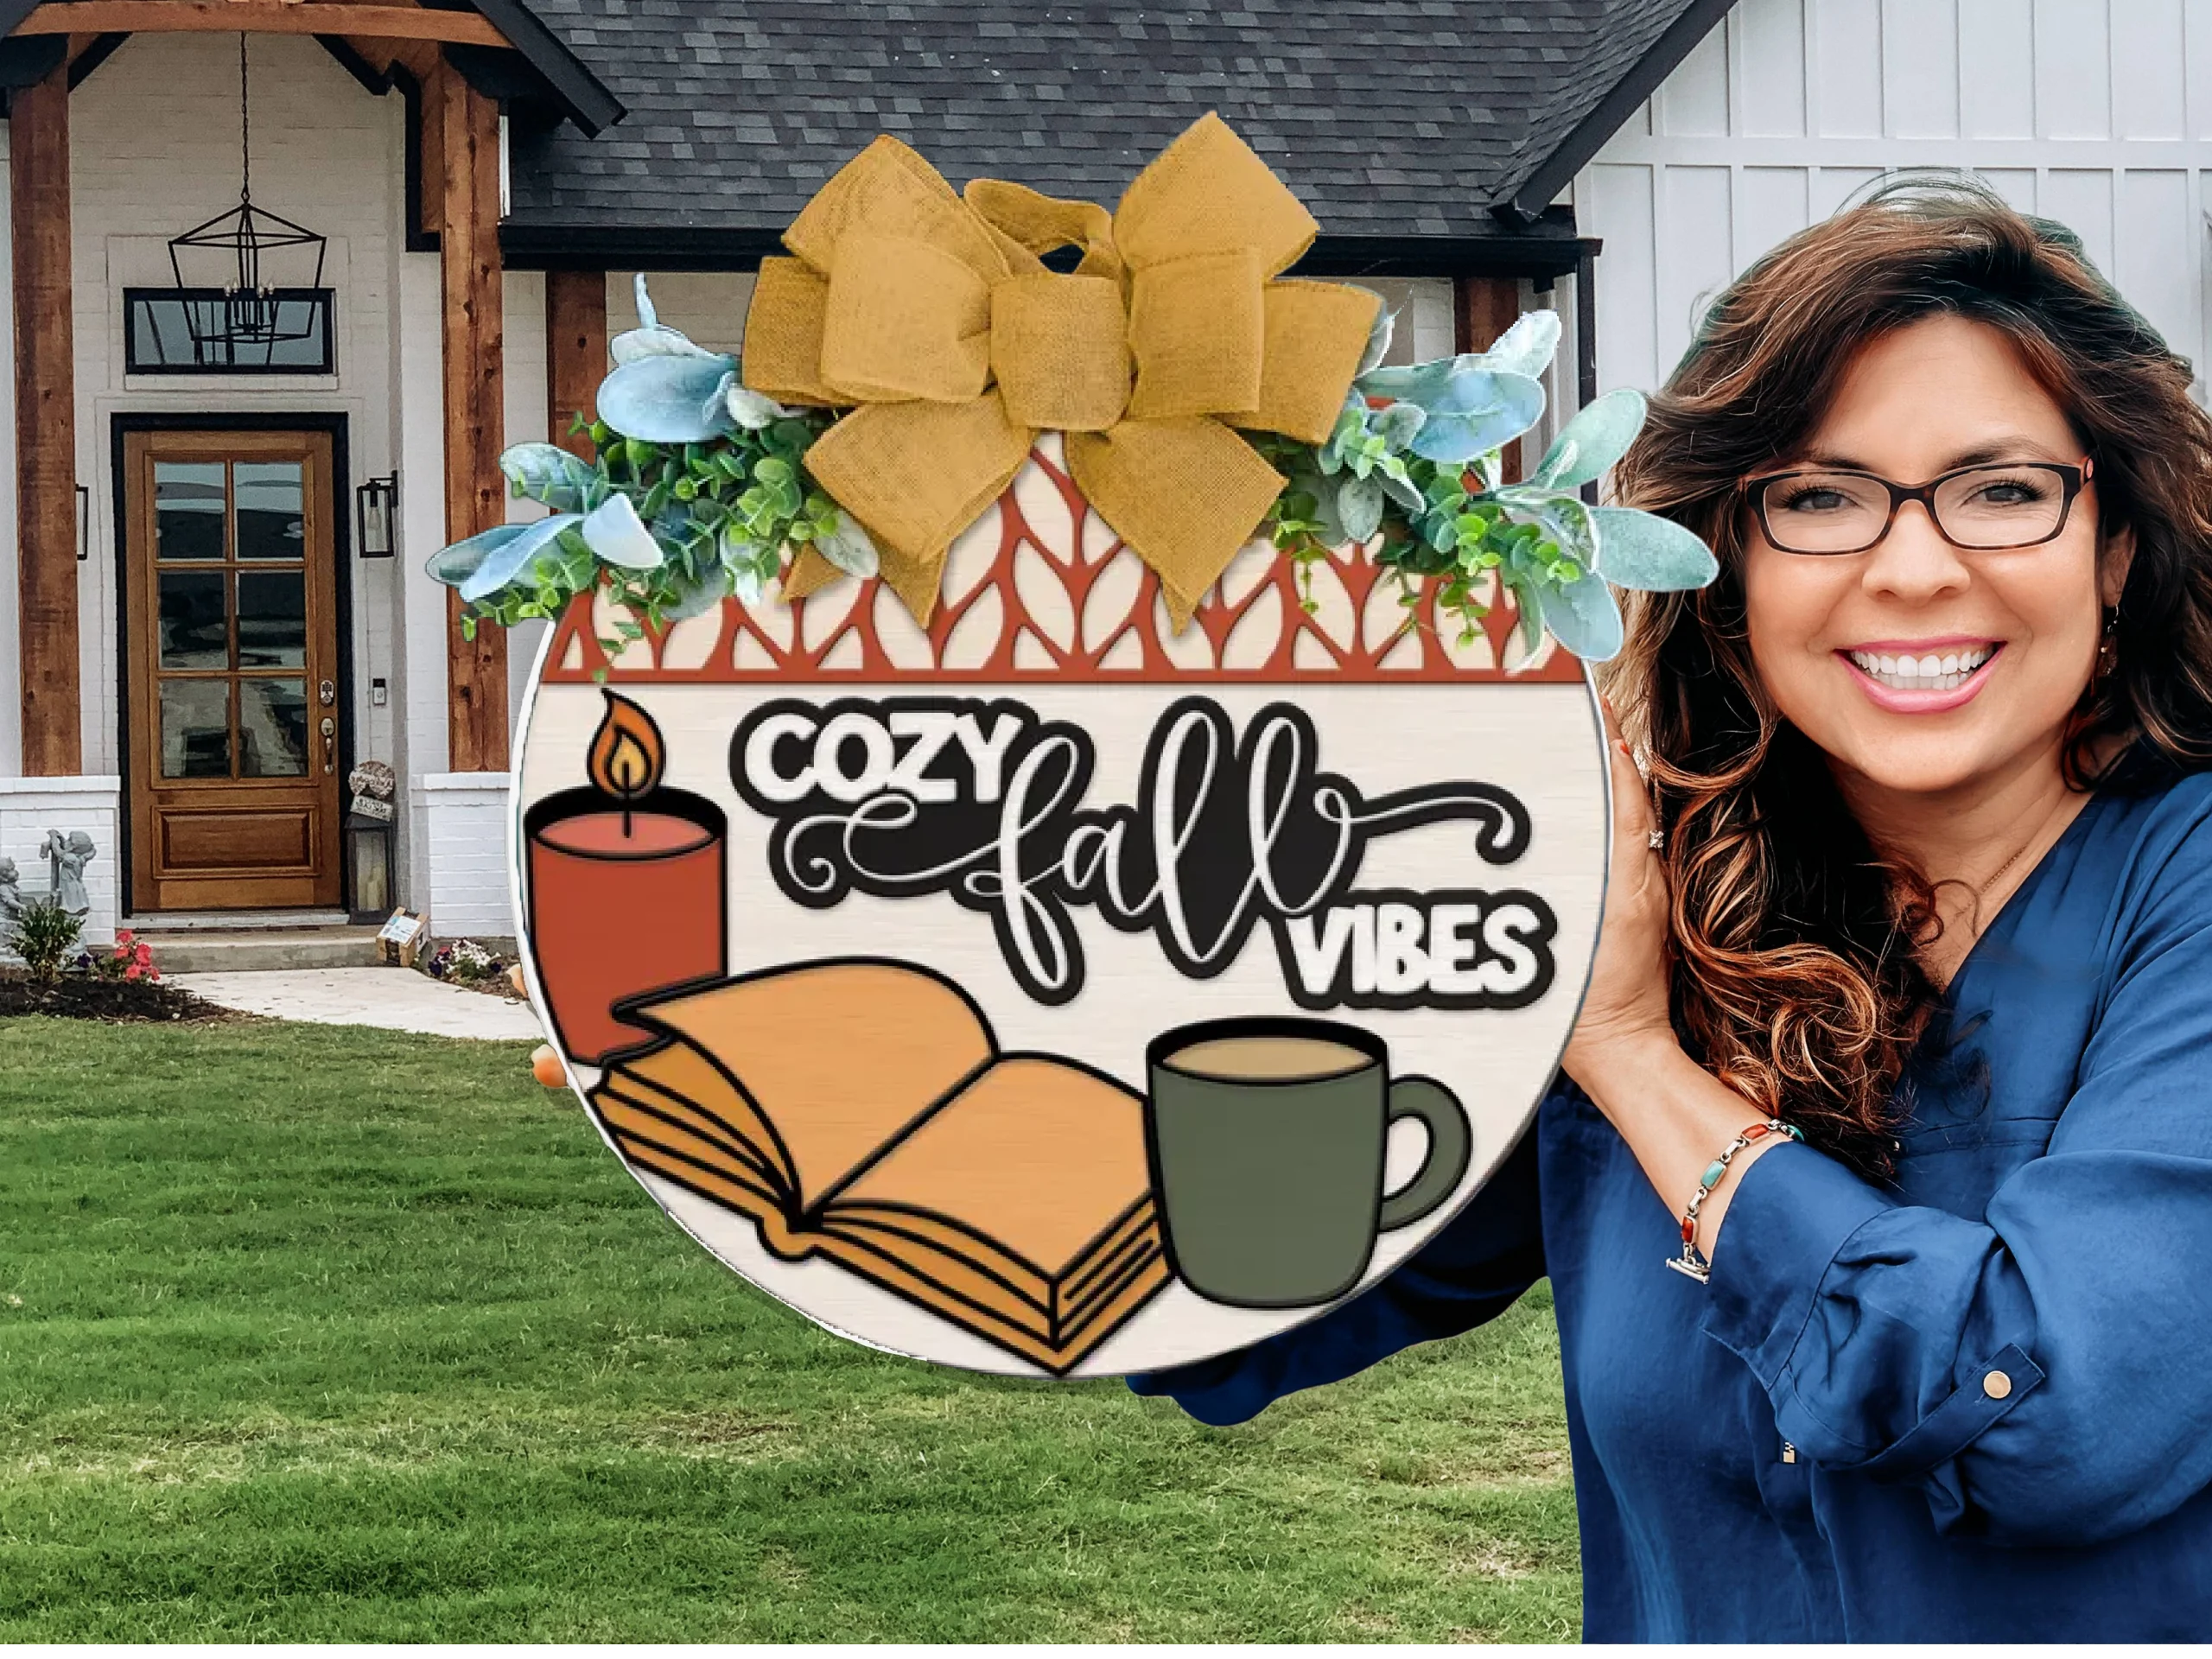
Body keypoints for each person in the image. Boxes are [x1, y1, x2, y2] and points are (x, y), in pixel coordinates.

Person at [1132, 178, 2212, 1642]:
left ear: (2119, 546)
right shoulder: (1654, 895)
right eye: (1819, 497)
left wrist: (1637, 1057)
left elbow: (2054, 1416)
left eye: (2003, 490)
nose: (1911, 566)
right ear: (1729, 567)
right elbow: (1236, 1301)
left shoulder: (2179, 893)